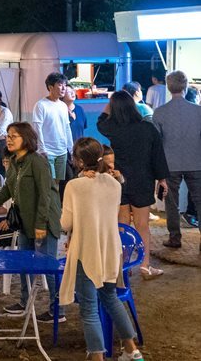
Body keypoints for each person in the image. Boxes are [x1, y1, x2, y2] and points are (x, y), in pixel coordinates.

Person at [59, 139, 146, 361]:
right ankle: (132, 350)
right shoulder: (114, 184)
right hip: (110, 248)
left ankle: (97, 357)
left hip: (86, 250)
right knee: (111, 298)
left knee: (89, 308)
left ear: (79, 161)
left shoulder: (74, 186)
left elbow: (66, 223)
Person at [0, 122, 63, 322]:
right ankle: (25, 301)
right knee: (24, 263)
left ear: (26, 138)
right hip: (24, 221)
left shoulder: (38, 161)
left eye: (14, 136)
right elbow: (6, 191)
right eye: (8, 136)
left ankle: (57, 310)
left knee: (48, 265)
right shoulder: (13, 162)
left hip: (44, 221)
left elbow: (45, 195)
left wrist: (41, 224)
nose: (9, 139)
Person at [97, 91, 168, 278]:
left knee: (122, 224)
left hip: (119, 181)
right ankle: (145, 266)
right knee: (142, 225)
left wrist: (109, 106)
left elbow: (100, 122)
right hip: (142, 181)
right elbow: (157, 155)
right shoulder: (148, 128)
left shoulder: (113, 128)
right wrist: (162, 179)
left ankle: (123, 265)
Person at [152, 70, 201, 250]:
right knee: (200, 201)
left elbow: (157, 143)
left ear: (168, 87)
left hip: (170, 163)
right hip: (196, 161)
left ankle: (174, 237)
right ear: (186, 86)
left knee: (171, 202)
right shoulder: (198, 111)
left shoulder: (159, 112)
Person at [31, 72, 74, 181]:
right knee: (49, 182)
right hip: (47, 151)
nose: (64, 88)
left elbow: (67, 128)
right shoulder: (41, 105)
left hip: (62, 151)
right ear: (50, 87)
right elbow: (37, 129)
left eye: (65, 85)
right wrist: (42, 149)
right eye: (60, 84)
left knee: (58, 182)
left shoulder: (63, 106)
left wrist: (71, 149)